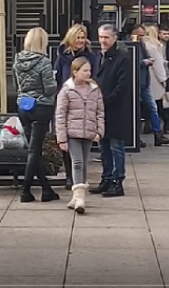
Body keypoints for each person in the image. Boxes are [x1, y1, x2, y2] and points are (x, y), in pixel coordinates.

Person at [13, 27, 59, 203]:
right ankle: (25, 191)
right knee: (34, 150)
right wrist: (55, 82)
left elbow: (17, 85)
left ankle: (46, 190)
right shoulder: (44, 62)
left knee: (34, 150)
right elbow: (49, 89)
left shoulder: (17, 60)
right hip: (41, 106)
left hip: (24, 105)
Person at [56, 56, 104, 214]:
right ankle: (80, 197)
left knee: (83, 163)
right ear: (75, 72)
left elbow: (100, 112)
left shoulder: (95, 89)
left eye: (89, 70)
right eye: (85, 70)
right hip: (72, 132)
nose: (88, 73)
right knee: (76, 162)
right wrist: (61, 138)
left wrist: (99, 131)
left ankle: (76, 196)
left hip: (88, 131)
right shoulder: (67, 90)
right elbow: (60, 114)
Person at [54, 23, 98, 189]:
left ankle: (79, 179)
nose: (80, 40)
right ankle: (69, 176)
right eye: (78, 37)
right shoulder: (62, 55)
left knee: (82, 143)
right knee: (66, 139)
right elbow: (57, 76)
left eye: (82, 37)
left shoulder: (91, 56)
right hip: (66, 100)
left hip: (84, 102)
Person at [90, 24, 131, 198]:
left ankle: (117, 181)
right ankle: (106, 178)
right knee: (103, 145)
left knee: (116, 146)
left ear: (114, 38)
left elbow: (122, 86)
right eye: (100, 37)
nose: (103, 41)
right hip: (100, 110)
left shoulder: (122, 58)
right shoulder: (98, 56)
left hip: (115, 109)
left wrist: (106, 100)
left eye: (106, 37)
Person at [138, 25, 169, 146]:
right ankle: (156, 133)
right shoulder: (153, 46)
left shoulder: (144, 45)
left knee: (149, 108)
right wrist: (164, 79)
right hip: (145, 81)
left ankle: (156, 133)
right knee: (150, 108)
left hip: (146, 81)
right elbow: (158, 65)